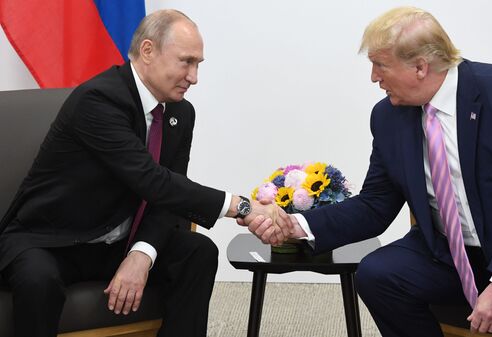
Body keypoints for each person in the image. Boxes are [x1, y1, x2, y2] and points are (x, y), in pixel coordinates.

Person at [246, 6, 492, 337]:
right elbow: (376, 204)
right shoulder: (388, 117)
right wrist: (296, 226)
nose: (373, 78)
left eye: (379, 65)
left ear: (420, 67)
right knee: (377, 275)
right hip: (456, 250)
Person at [0, 9, 291, 337]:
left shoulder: (180, 112)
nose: (193, 77)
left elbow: (169, 197)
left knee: (198, 253)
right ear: (148, 51)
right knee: (38, 281)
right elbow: (152, 181)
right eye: (186, 61)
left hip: (116, 240)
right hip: (51, 240)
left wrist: (142, 253)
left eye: (198, 65)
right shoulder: (98, 101)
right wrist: (242, 207)